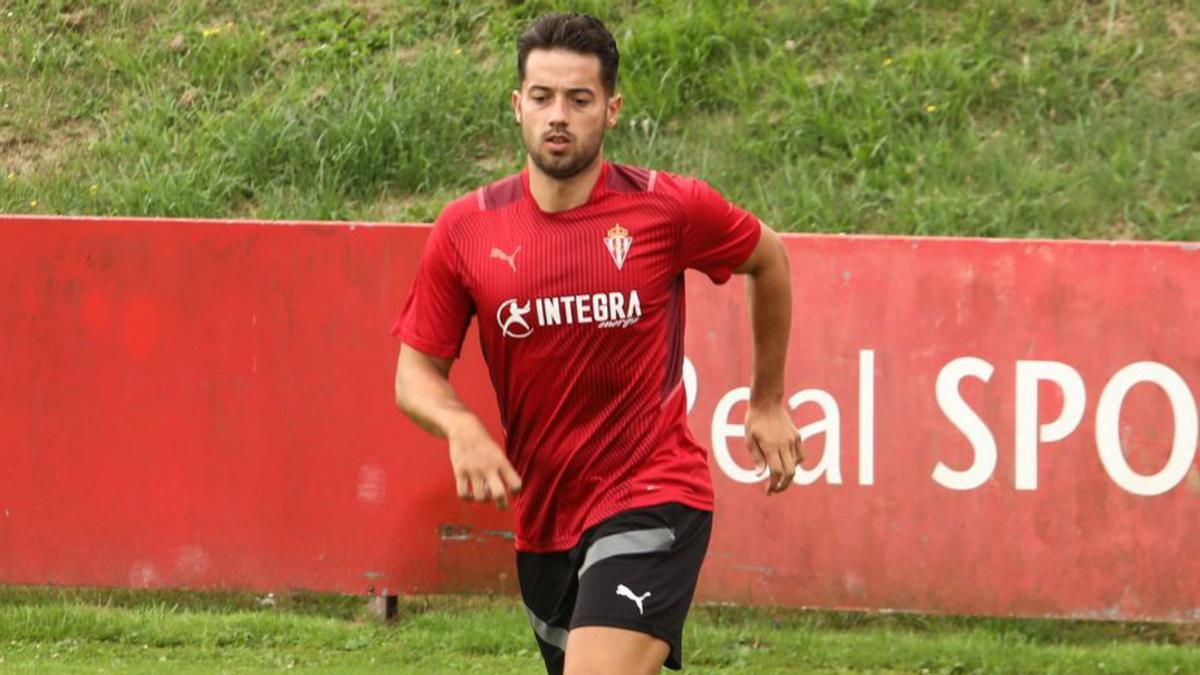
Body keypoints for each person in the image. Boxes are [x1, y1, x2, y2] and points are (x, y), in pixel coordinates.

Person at [391, 12, 800, 675]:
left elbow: (769, 258)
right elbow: (415, 373)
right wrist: (458, 423)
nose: (559, 115)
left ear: (611, 110)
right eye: (543, 97)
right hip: (546, 518)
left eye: (579, 100)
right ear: (516, 104)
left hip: (653, 493)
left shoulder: (668, 208)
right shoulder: (466, 229)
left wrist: (769, 398)